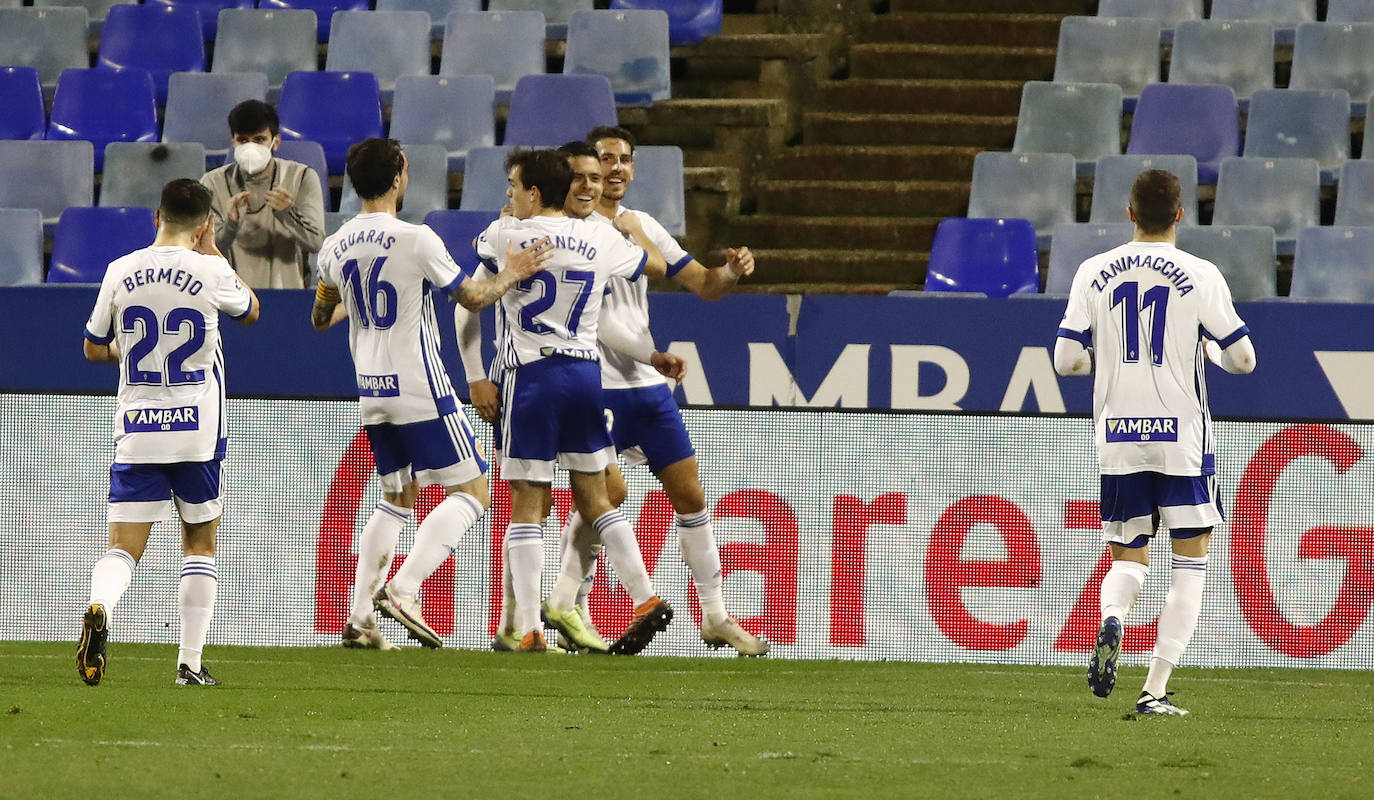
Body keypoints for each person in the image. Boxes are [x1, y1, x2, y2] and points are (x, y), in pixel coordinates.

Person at [311, 138, 552, 651]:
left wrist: (349, 302)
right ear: (398, 177)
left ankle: (358, 621)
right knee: (474, 491)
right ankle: (404, 589)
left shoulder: (335, 245)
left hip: (369, 389)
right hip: (419, 386)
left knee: (396, 497)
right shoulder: (417, 239)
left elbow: (318, 317)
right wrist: (512, 272)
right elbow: (472, 297)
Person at [543, 129, 767, 656]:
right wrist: (651, 352)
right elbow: (593, 323)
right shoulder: (567, 232)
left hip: (646, 389)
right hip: (594, 383)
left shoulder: (639, 226)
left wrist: (732, 271)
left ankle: (714, 616)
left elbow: (705, 285)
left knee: (690, 496)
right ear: (582, 173)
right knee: (608, 495)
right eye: (604, 161)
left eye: (624, 161)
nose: (615, 169)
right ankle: (568, 603)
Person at [1054, 169, 1256, 716]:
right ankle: (1154, 691)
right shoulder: (1201, 272)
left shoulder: (1092, 271)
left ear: (1128, 213)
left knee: (1129, 559)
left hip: (1118, 438)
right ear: (1180, 215)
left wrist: (1107, 364)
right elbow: (1244, 359)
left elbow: (1066, 359)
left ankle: (1112, 620)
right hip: (1181, 440)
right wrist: (1205, 353)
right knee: (1190, 567)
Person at [469, 148, 676, 654]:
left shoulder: (506, 234)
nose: (509, 197)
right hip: (586, 375)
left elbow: (473, 289)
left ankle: (528, 628)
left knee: (527, 504)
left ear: (535, 192)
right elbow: (651, 265)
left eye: (513, 187)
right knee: (597, 498)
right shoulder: (602, 236)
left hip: (531, 376)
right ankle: (646, 596)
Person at [78, 178, 262, 687]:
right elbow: (251, 311)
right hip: (197, 432)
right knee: (200, 542)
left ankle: (100, 605)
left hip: (138, 429)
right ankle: (190, 663)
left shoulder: (120, 270)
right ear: (204, 225)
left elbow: (93, 347)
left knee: (123, 546)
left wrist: (128, 353)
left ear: (155, 217)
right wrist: (218, 254)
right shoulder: (209, 268)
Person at [200, 99, 325, 289]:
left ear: (276, 142)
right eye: (243, 140)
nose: (251, 148)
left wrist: (288, 213)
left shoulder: (302, 177)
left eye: (259, 140)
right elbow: (205, 250)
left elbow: (316, 243)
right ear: (233, 141)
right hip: (233, 299)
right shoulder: (211, 183)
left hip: (289, 295)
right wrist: (231, 225)